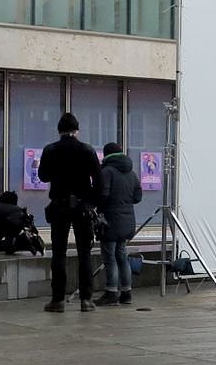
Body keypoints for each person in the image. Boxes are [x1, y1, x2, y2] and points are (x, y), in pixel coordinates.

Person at [38, 113, 102, 313]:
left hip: (59, 206)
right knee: (84, 253)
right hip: (82, 207)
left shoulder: (50, 150)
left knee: (59, 253)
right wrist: (90, 203)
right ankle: (86, 299)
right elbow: (98, 181)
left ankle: (57, 300)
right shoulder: (87, 150)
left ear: (59, 130)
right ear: (77, 130)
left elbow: (43, 176)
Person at [94, 143, 143, 306]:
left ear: (106, 155)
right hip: (127, 220)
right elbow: (137, 197)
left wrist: (98, 208)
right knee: (122, 256)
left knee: (110, 258)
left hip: (110, 220)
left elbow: (102, 195)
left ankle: (111, 292)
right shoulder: (131, 173)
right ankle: (126, 293)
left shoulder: (107, 172)